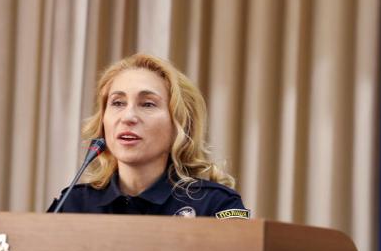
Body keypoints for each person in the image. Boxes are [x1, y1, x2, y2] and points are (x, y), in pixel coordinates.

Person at [48, 53, 248, 219]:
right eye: (118, 103)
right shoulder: (73, 203)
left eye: (147, 104)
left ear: (179, 124)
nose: (128, 117)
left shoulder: (216, 204)